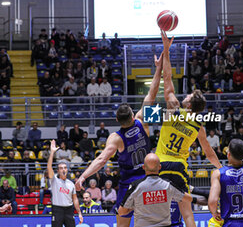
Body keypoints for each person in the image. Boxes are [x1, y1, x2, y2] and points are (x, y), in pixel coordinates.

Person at [75, 52, 164, 227]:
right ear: (132, 115)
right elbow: (152, 93)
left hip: (128, 186)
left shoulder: (116, 138)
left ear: (117, 120)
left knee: (122, 225)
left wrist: (82, 177)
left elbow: (101, 160)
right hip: (148, 181)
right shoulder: (142, 120)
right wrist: (158, 67)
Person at [156, 32, 222, 227]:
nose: (186, 95)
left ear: (190, 104)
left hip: (159, 165)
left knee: (155, 211)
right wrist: (222, 169)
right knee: (186, 213)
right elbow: (209, 153)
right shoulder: (198, 126)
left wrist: (166, 51)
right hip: (178, 168)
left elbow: (167, 78)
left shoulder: (174, 109)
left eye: (189, 95)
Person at [118, 153, 193, 227]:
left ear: (143, 167)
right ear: (160, 167)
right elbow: (188, 199)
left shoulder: (136, 186)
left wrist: (134, 207)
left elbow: (121, 212)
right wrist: (171, 197)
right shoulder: (168, 185)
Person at [48, 140, 83, 227]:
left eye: (64, 168)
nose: (63, 169)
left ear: (67, 170)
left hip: (69, 210)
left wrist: (79, 213)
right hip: (57, 209)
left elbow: (75, 199)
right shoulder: (54, 180)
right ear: (58, 170)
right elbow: (49, 167)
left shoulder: (71, 184)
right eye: (61, 168)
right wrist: (52, 152)